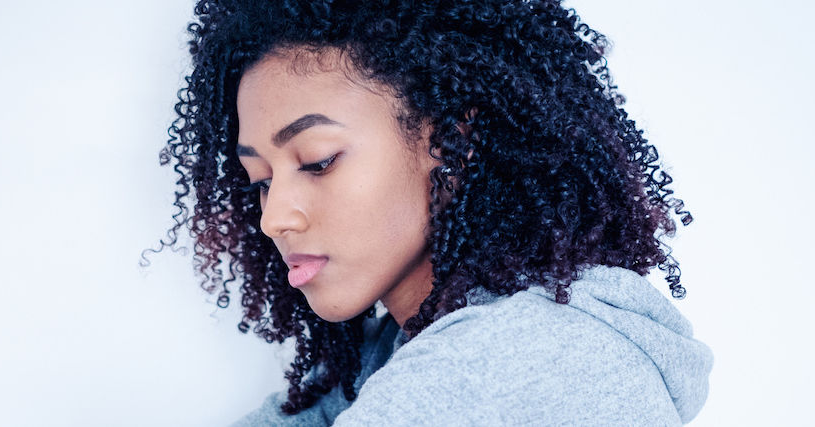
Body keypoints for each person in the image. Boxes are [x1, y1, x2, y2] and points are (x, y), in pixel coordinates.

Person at [155, 0, 713, 425]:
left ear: (453, 142)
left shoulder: (508, 363)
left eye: (318, 162)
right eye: (262, 181)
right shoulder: (392, 354)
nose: (275, 219)